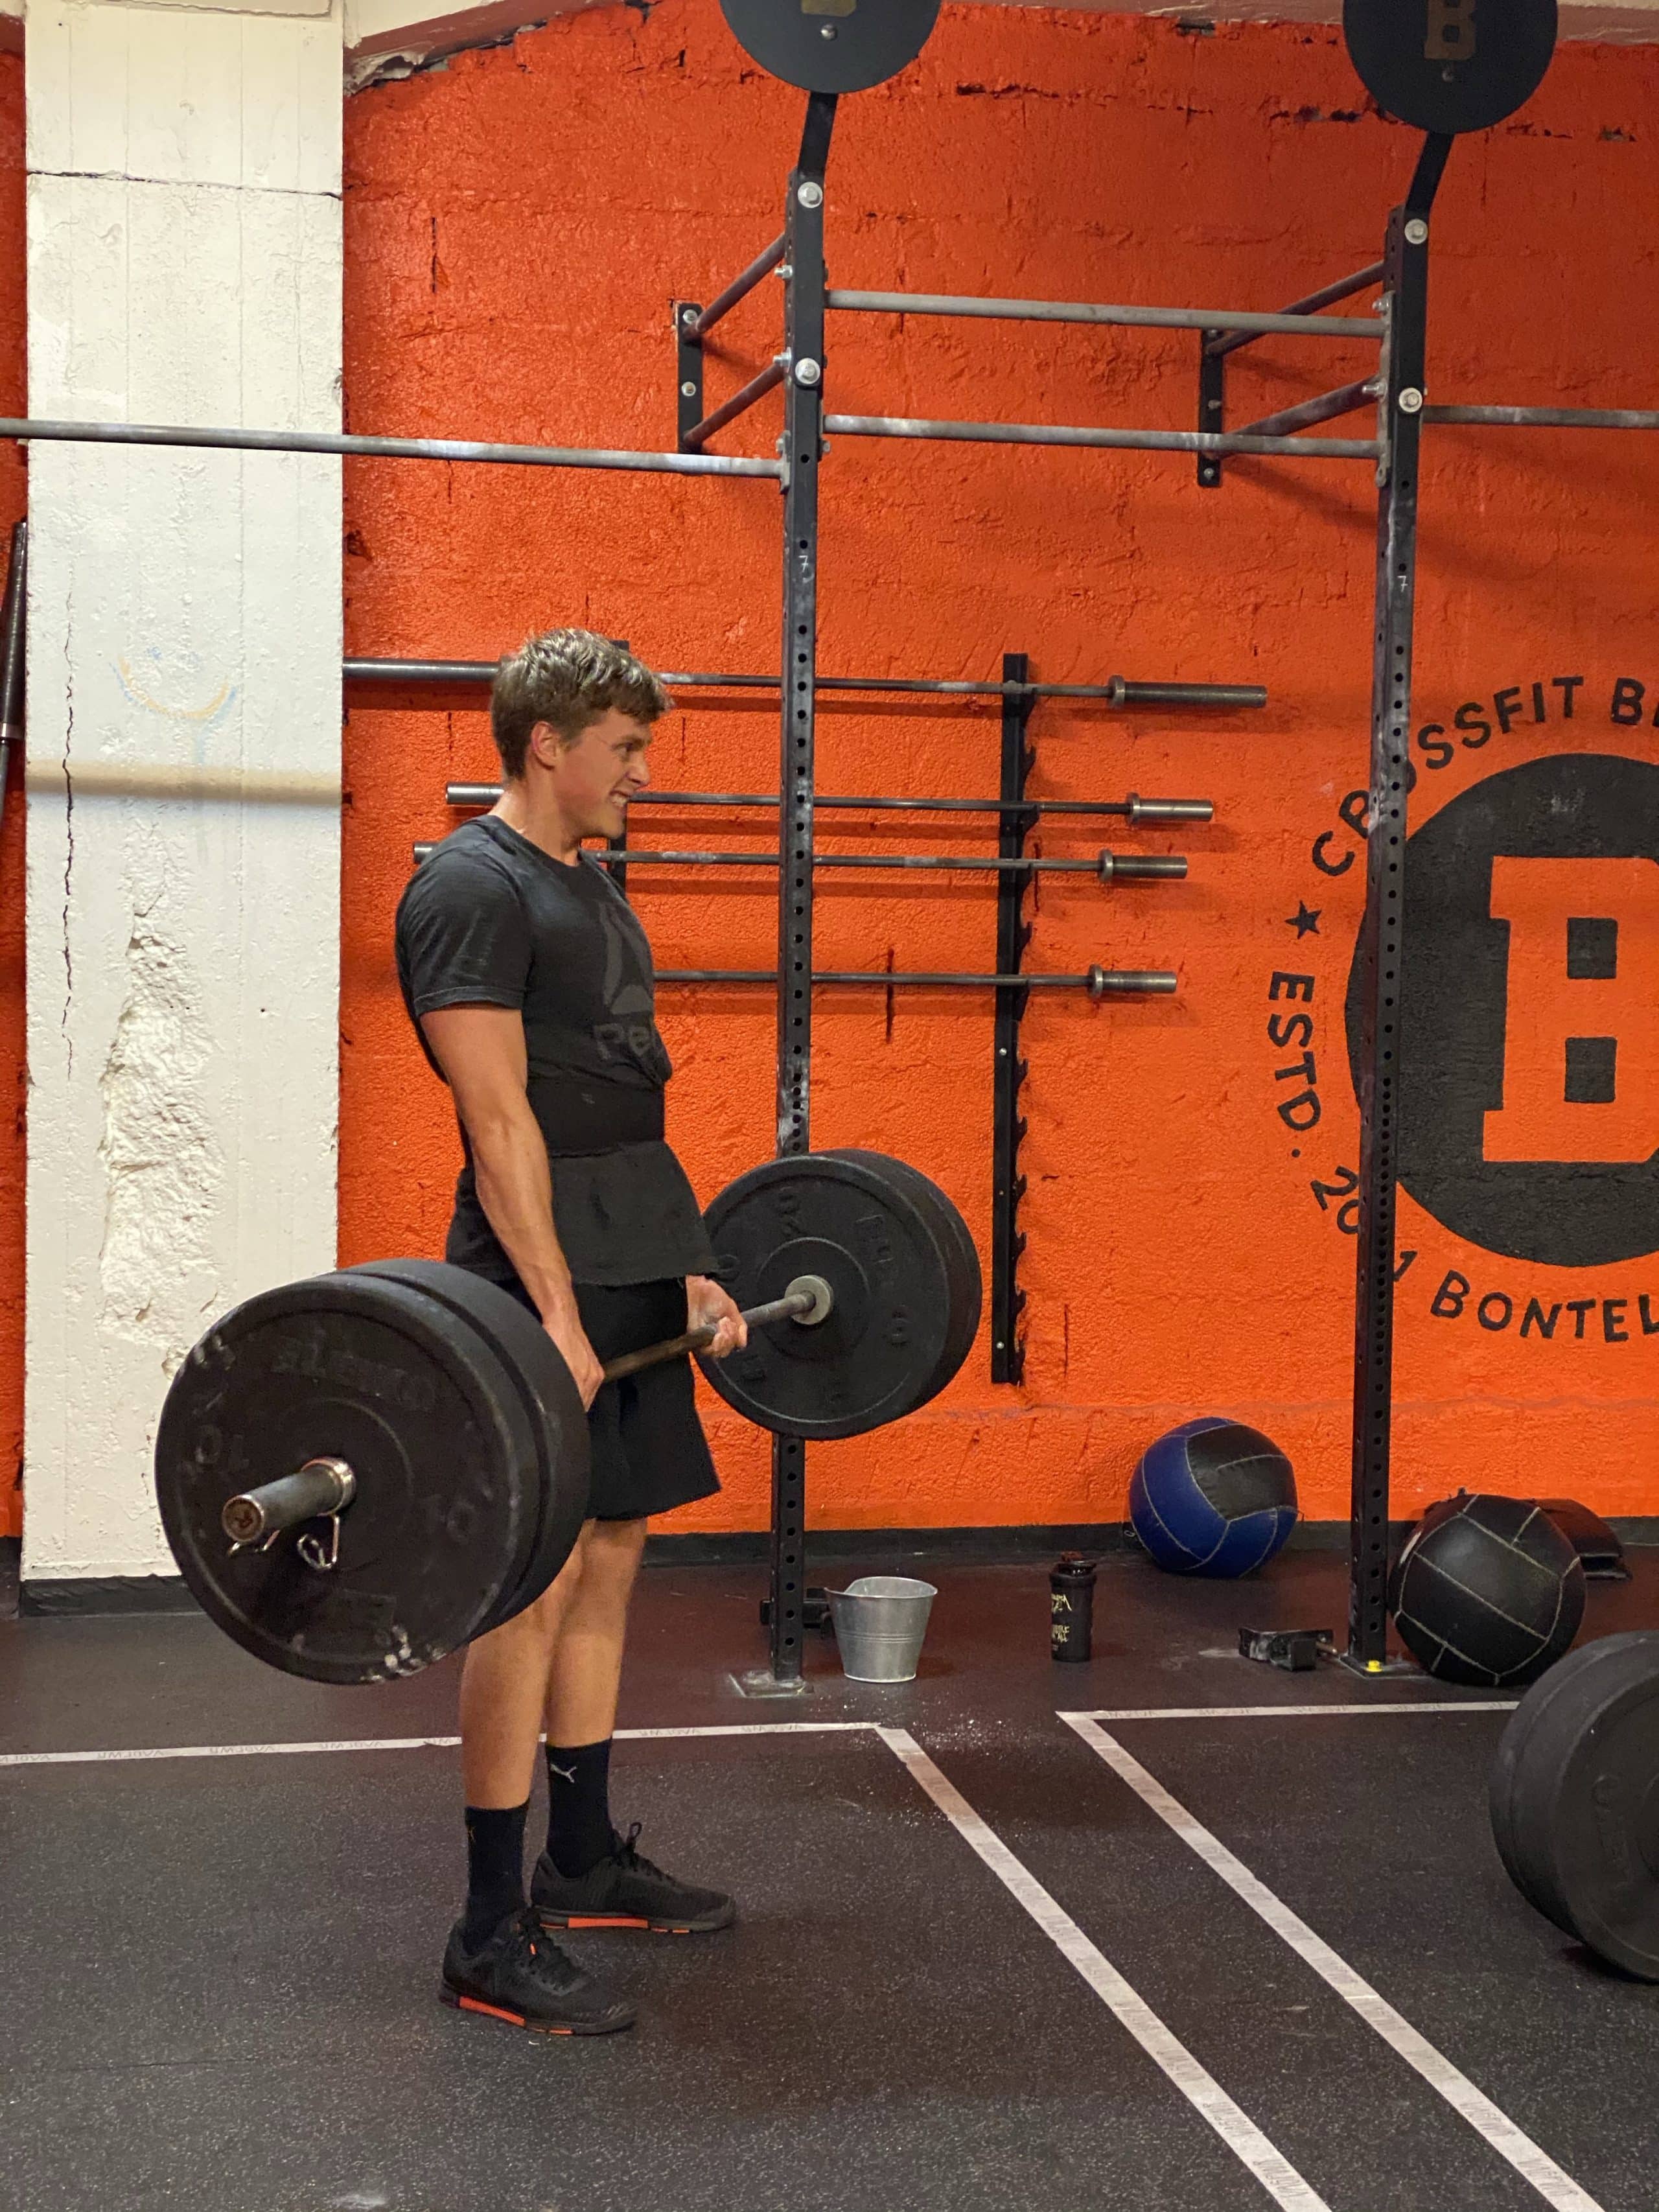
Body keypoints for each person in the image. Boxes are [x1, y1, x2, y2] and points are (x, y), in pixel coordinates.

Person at [395, 628, 747, 2037]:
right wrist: (551, 1308)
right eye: (624, 747)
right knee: (530, 1588)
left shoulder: (589, 883)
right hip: (531, 1269)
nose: (641, 771)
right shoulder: (468, 888)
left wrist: (688, 1266)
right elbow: (498, 1123)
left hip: (623, 1258)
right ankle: (487, 1927)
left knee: (610, 1553)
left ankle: (583, 1858)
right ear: (546, 743)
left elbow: (621, 1097)